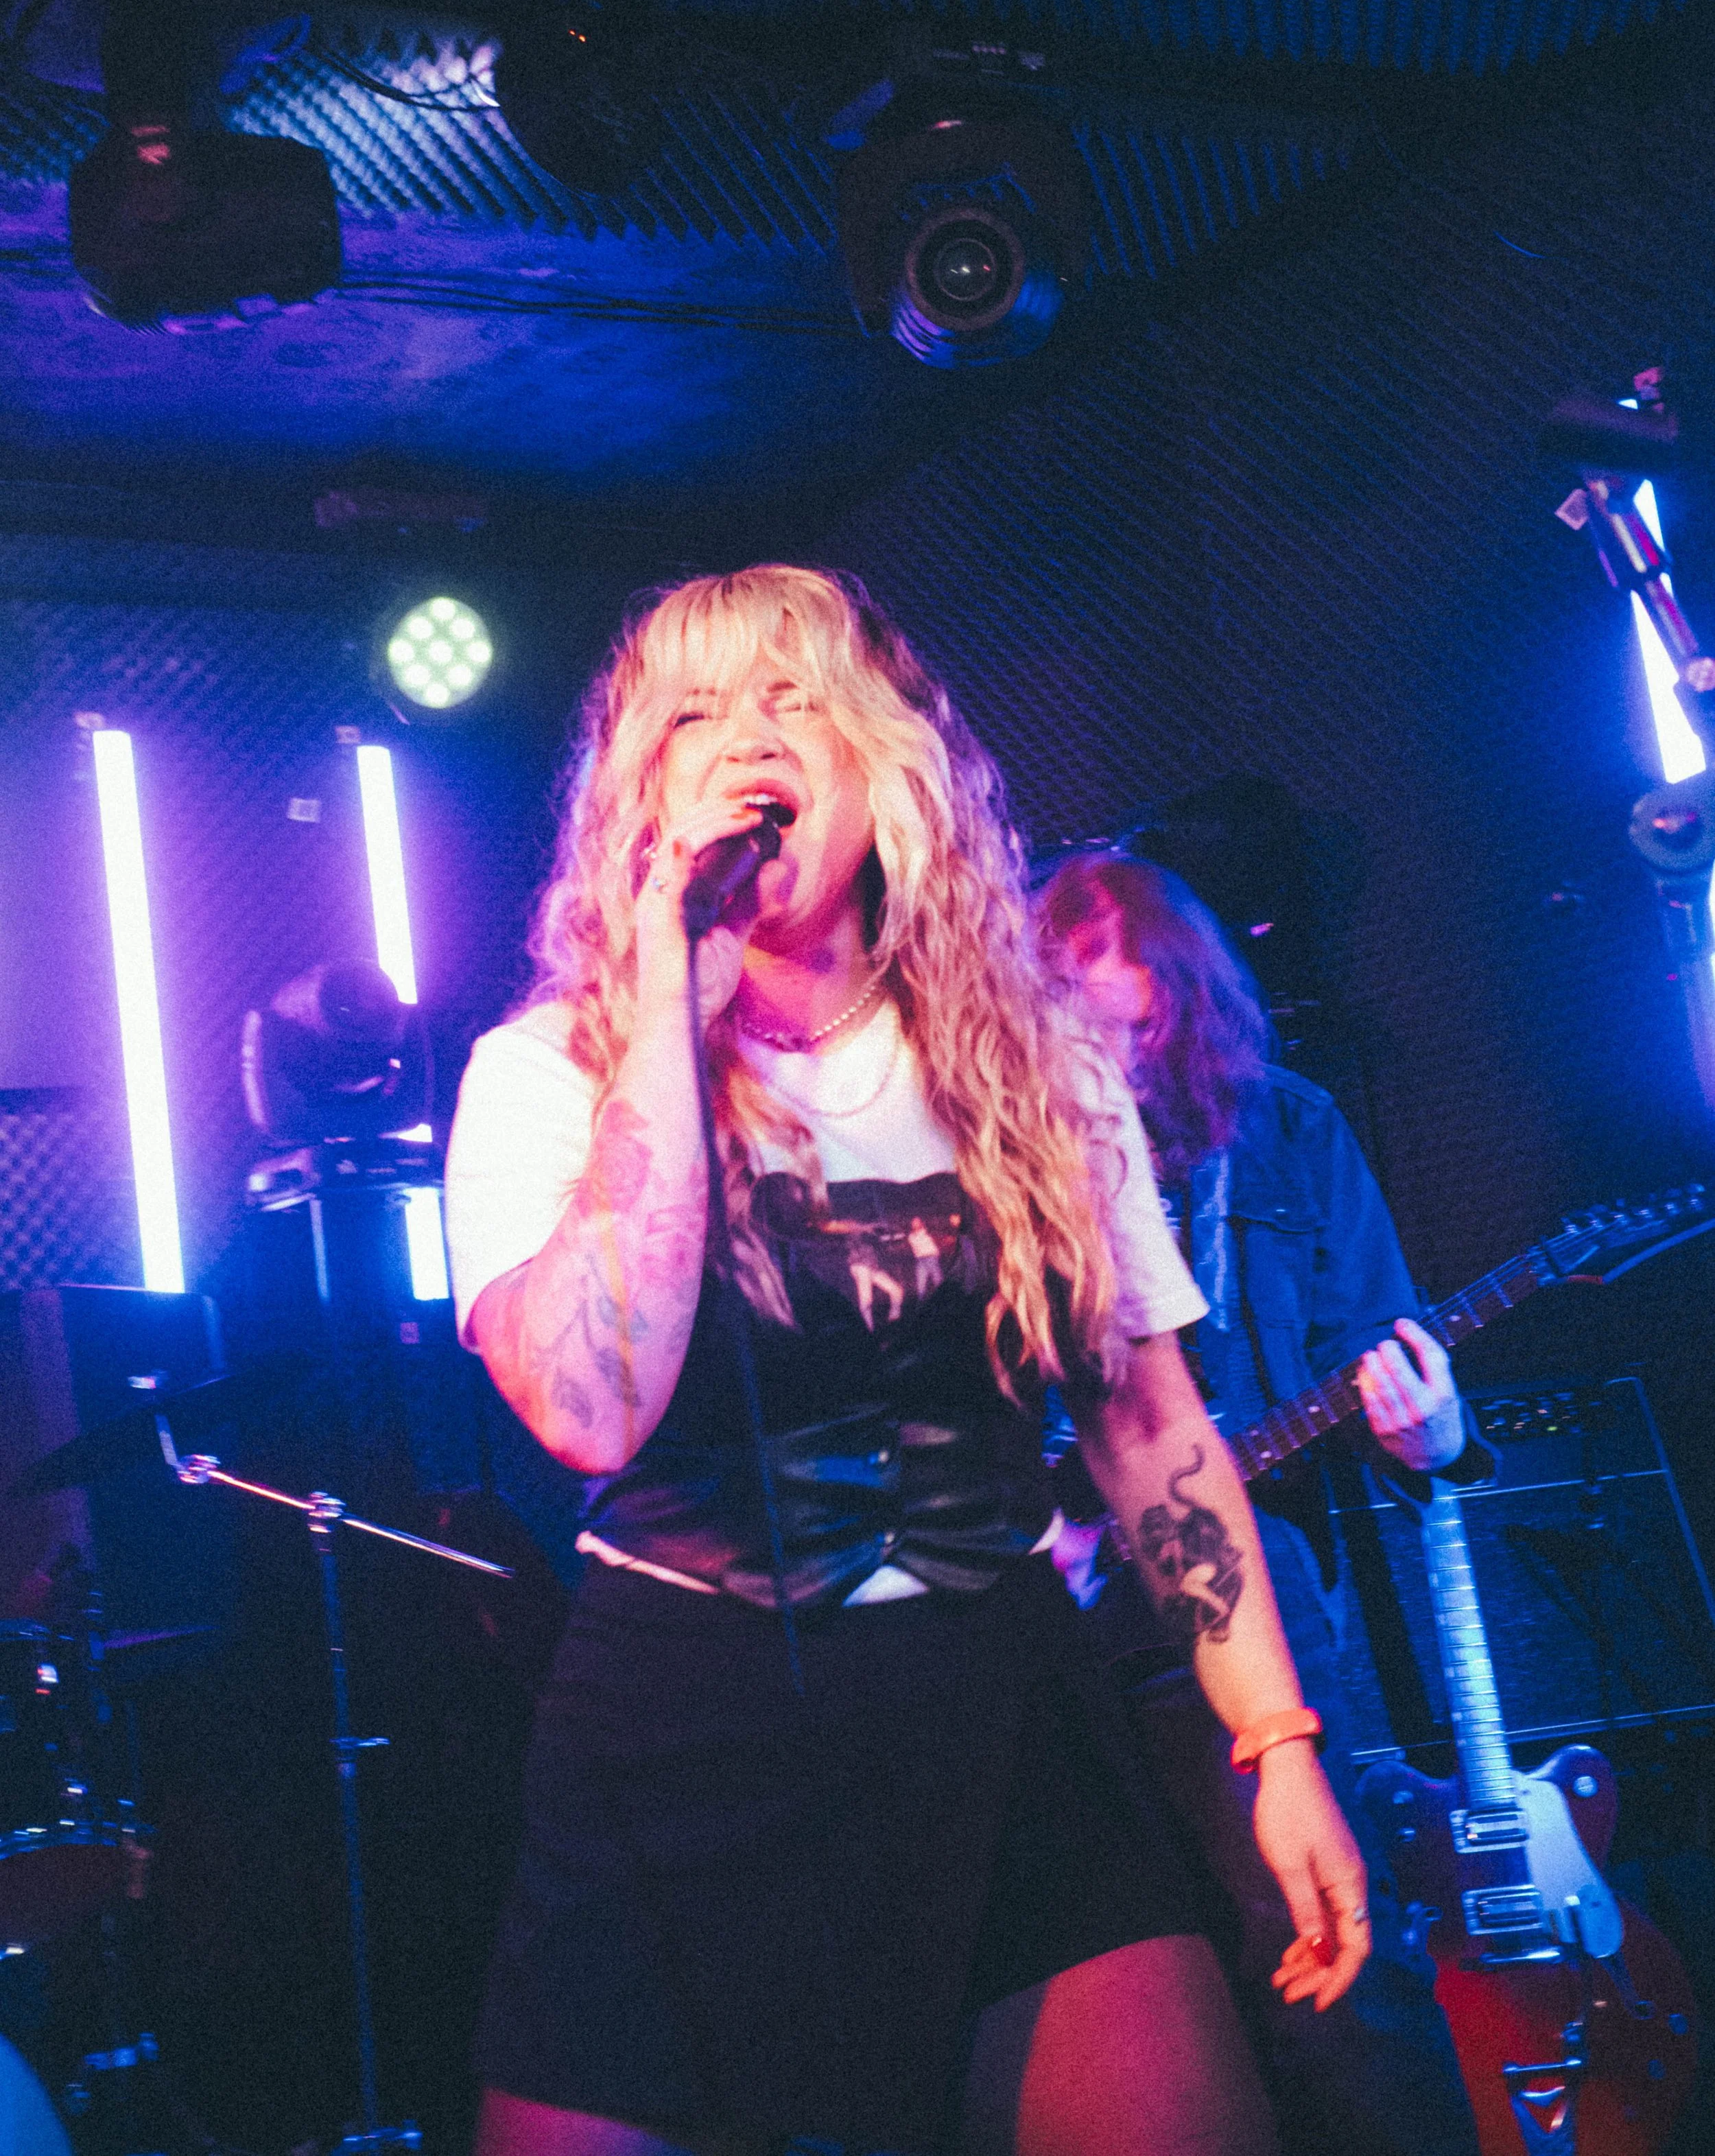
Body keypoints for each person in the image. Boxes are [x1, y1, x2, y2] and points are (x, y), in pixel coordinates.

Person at [444, 565, 1371, 2156]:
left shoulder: (1037, 1062)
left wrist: (1273, 1747)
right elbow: (587, 1411)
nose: (747, 739)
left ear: (887, 766)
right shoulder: (543, 1074)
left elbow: (1153, 1432)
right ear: (640, 799)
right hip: (687, 1737)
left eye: (793, 696)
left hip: (997, 1699)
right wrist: (671, 1000)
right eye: (693, 714)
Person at [1037, 855, 1492, 2156]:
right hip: (1059, 1627)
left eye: (1134, 1032)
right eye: (1081, 1034)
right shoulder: (1014, 1158)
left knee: (1333, 1981)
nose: (1113, 1068)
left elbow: (1382, 1345)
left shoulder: (1289, 1133)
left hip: (1254, 1604)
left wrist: (1436, 1433)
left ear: (1183, 1012)